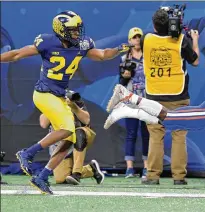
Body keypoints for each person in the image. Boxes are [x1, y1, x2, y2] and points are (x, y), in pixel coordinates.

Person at [0, 10, 130, 194]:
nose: (78, 33)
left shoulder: (82, 44)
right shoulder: (47, 42)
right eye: (73, 30)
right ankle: (27, 153)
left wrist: (120, 48)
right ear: (61, 30)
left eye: (78, 29)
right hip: (44, 93)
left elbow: (102, 55)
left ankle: (42, 176)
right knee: (68, 129)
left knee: (71, 138)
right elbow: (17, 55)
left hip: (59, 94)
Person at [115, 9, 199, 185]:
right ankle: (179, 177)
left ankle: (153, 175)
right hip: (178, 94)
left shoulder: (146, 39)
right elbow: (196, 61)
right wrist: (194, 40)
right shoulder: (181, 40)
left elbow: (155, 35)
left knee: (155, 136)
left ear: (153, 25)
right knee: (179, 136)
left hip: (154, 95)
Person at [40, 93, 104, 185]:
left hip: (80, 135)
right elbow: (43, 124)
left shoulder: (72, 96)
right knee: (61, 179)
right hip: (61, 143)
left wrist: (74, 107)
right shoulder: (50, 100)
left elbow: (86, 120)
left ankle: (76, 174)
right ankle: (91, 169)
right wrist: (54, 105)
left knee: (79, 133)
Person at [118, 27, 149, 178]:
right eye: (134, 37)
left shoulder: (149, 57)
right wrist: (125, 75)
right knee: (131, 133)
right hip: (131, 100)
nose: (137, 39)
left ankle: (147, 167)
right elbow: (121, 83)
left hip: (146, 99)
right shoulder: (124, 59)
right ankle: (129, 168)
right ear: (129, 41)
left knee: (146, 133)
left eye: (139, 37)